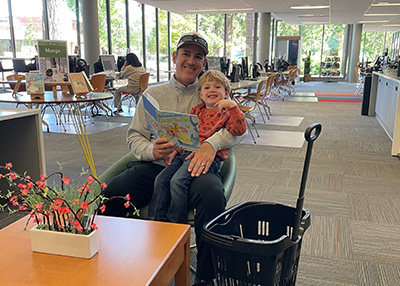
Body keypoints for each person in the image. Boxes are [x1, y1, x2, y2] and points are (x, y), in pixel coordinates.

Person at [102, 32, 247, 286]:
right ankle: (114, 261)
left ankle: (206, 276)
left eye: (198, 57)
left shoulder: (212, 92)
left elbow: (236, 130)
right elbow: (134, 136)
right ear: (175, 57)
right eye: (186, 54)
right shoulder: (152, 95)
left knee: (212, 195)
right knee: (114, 192)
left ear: (205, 63)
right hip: (156, 166)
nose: (191, 61)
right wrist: (151, 150)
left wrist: (211, 144)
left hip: (198, 167)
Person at [148, 70, 246, 224]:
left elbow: (239, 130)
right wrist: (177, 150)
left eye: (217, 87)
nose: (212, 90)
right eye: (207, 87)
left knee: (177, 181)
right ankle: (156, 221)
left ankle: (176, 224)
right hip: (185, 153)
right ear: (200, 94)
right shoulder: (197, 111)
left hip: (208, 158)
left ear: (226, 92)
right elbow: (189, 136)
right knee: (161, 179)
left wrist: (233, 107)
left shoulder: (228, 113)